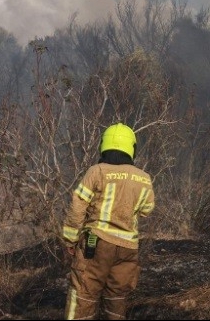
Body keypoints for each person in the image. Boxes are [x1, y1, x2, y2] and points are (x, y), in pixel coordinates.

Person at [62, 123, 155, 320]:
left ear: (104, 145)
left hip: (96, 244)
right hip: (128, 249)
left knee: (84, 294)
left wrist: (70, 239)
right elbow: (147, 210)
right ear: (131, 148)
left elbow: (78, 206)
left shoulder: (97, 171)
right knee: (117, 297)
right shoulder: (144, 178)